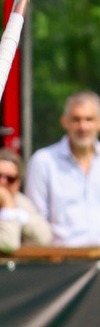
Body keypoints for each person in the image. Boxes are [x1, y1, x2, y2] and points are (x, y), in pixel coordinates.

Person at [25, 90, 100, 246]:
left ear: (99, 122)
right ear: (64, 122)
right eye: (76, 119)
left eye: (89, 119)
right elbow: (36, 220)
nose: (83, 126)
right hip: (61, 262)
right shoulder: (43, 161)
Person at [0, 147, 52, 253]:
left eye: (10, 179)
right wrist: (7, 206)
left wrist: (15, 212)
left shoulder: (21, 201)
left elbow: (44, 238)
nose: (3, 182)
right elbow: (8, 243)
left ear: (18, 184)